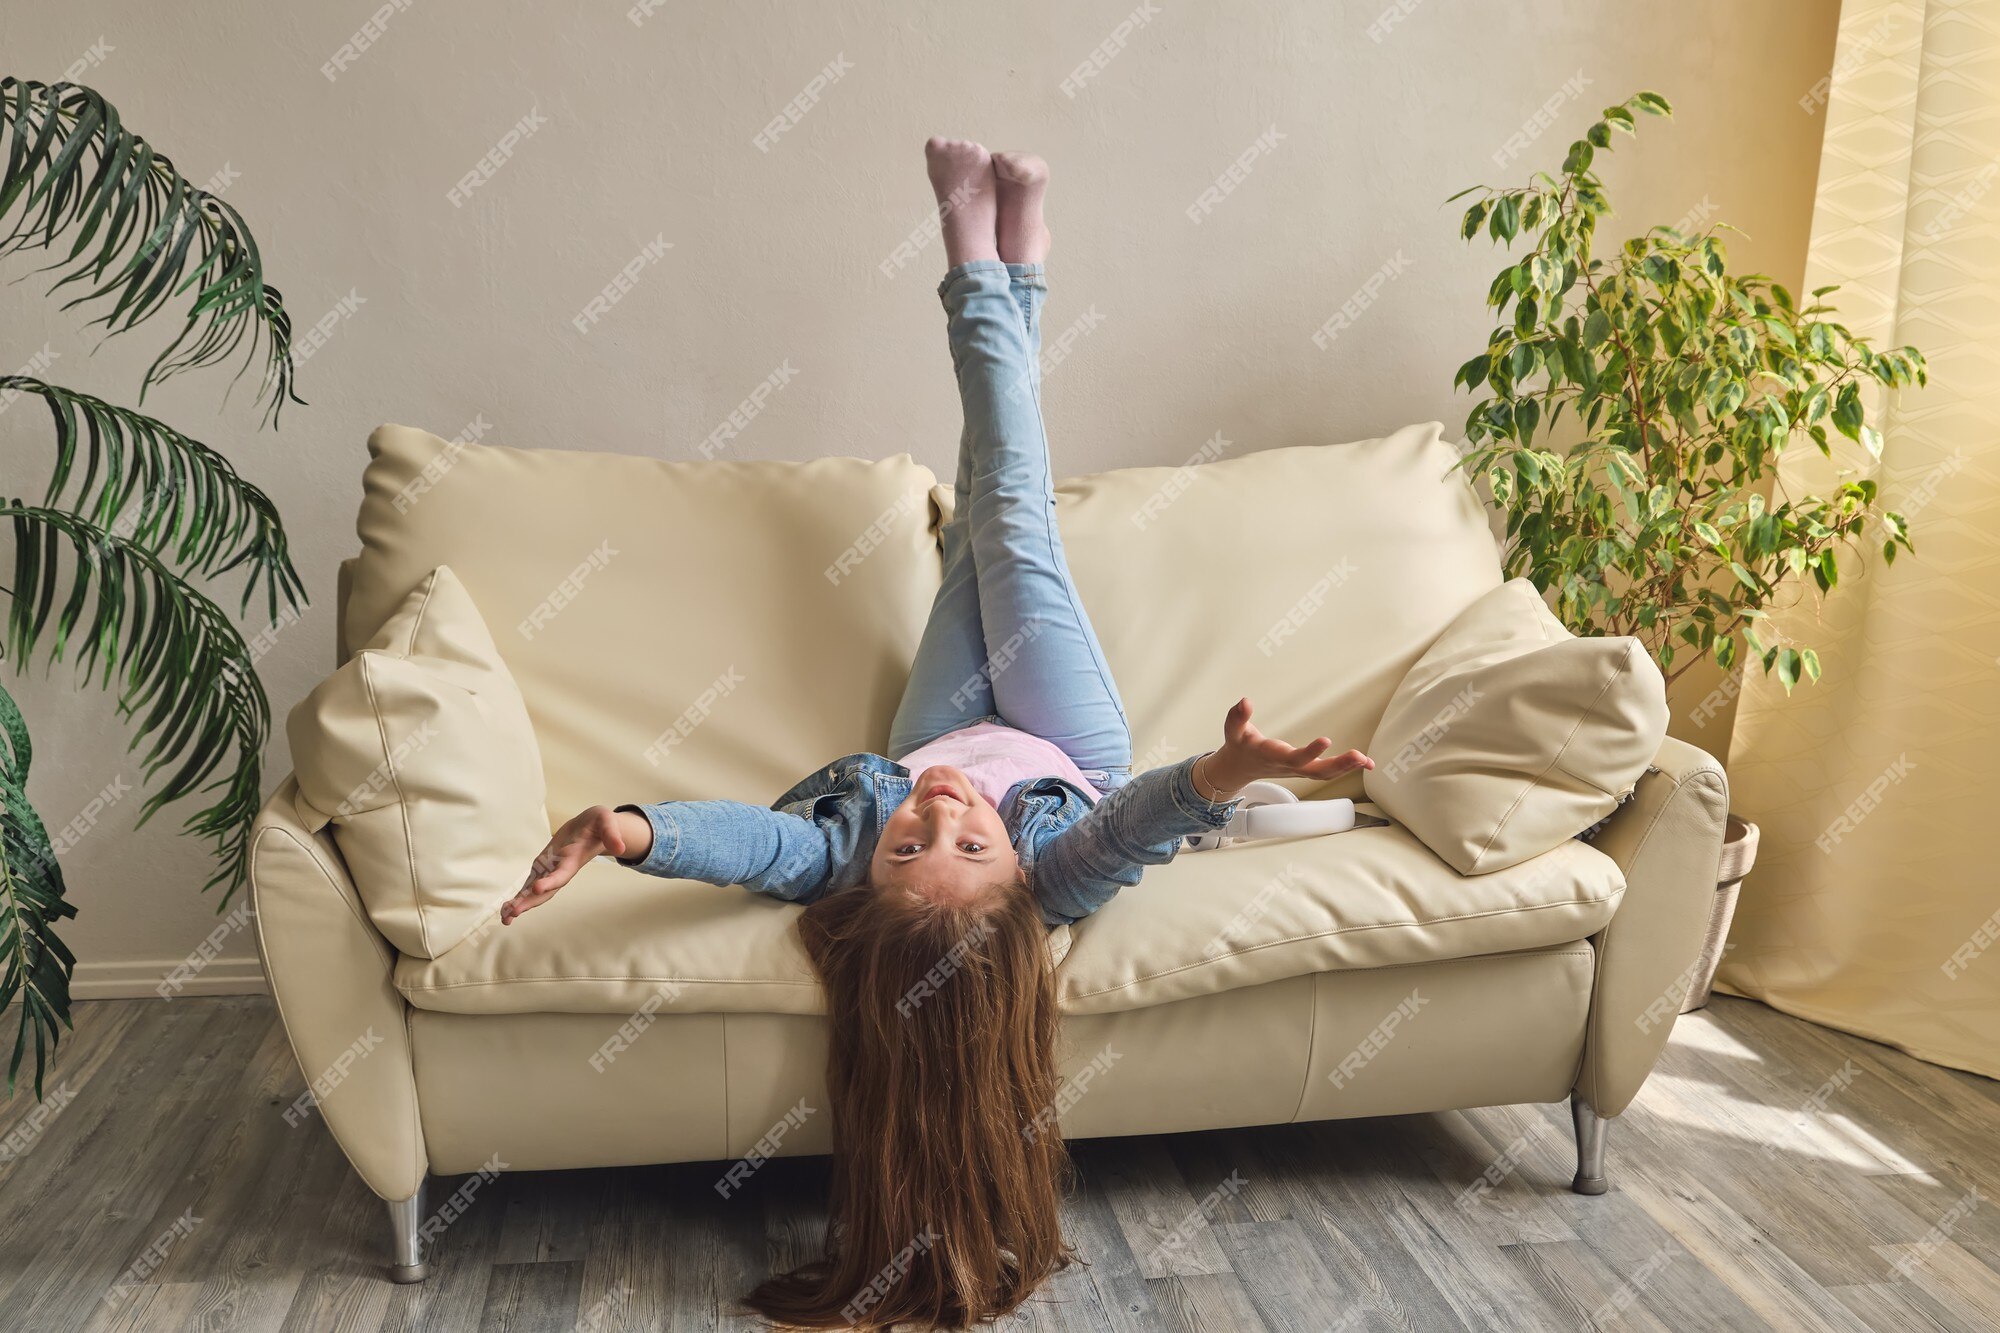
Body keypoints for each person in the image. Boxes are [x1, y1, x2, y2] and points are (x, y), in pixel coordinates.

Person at [501, 138, 1373, 1330]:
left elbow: (753, 846)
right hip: (1066, 734)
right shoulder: (1053, 880)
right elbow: (1131, 828)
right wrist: (1219, 773)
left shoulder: (857, 839)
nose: (942, 814)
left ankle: (1023, 268)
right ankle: (979, 261)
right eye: (968, 848)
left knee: (976, 513)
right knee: (1014, 519)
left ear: (869, 872)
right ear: (1018, 883)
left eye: (909, 847)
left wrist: (627, 828)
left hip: (940, 718)